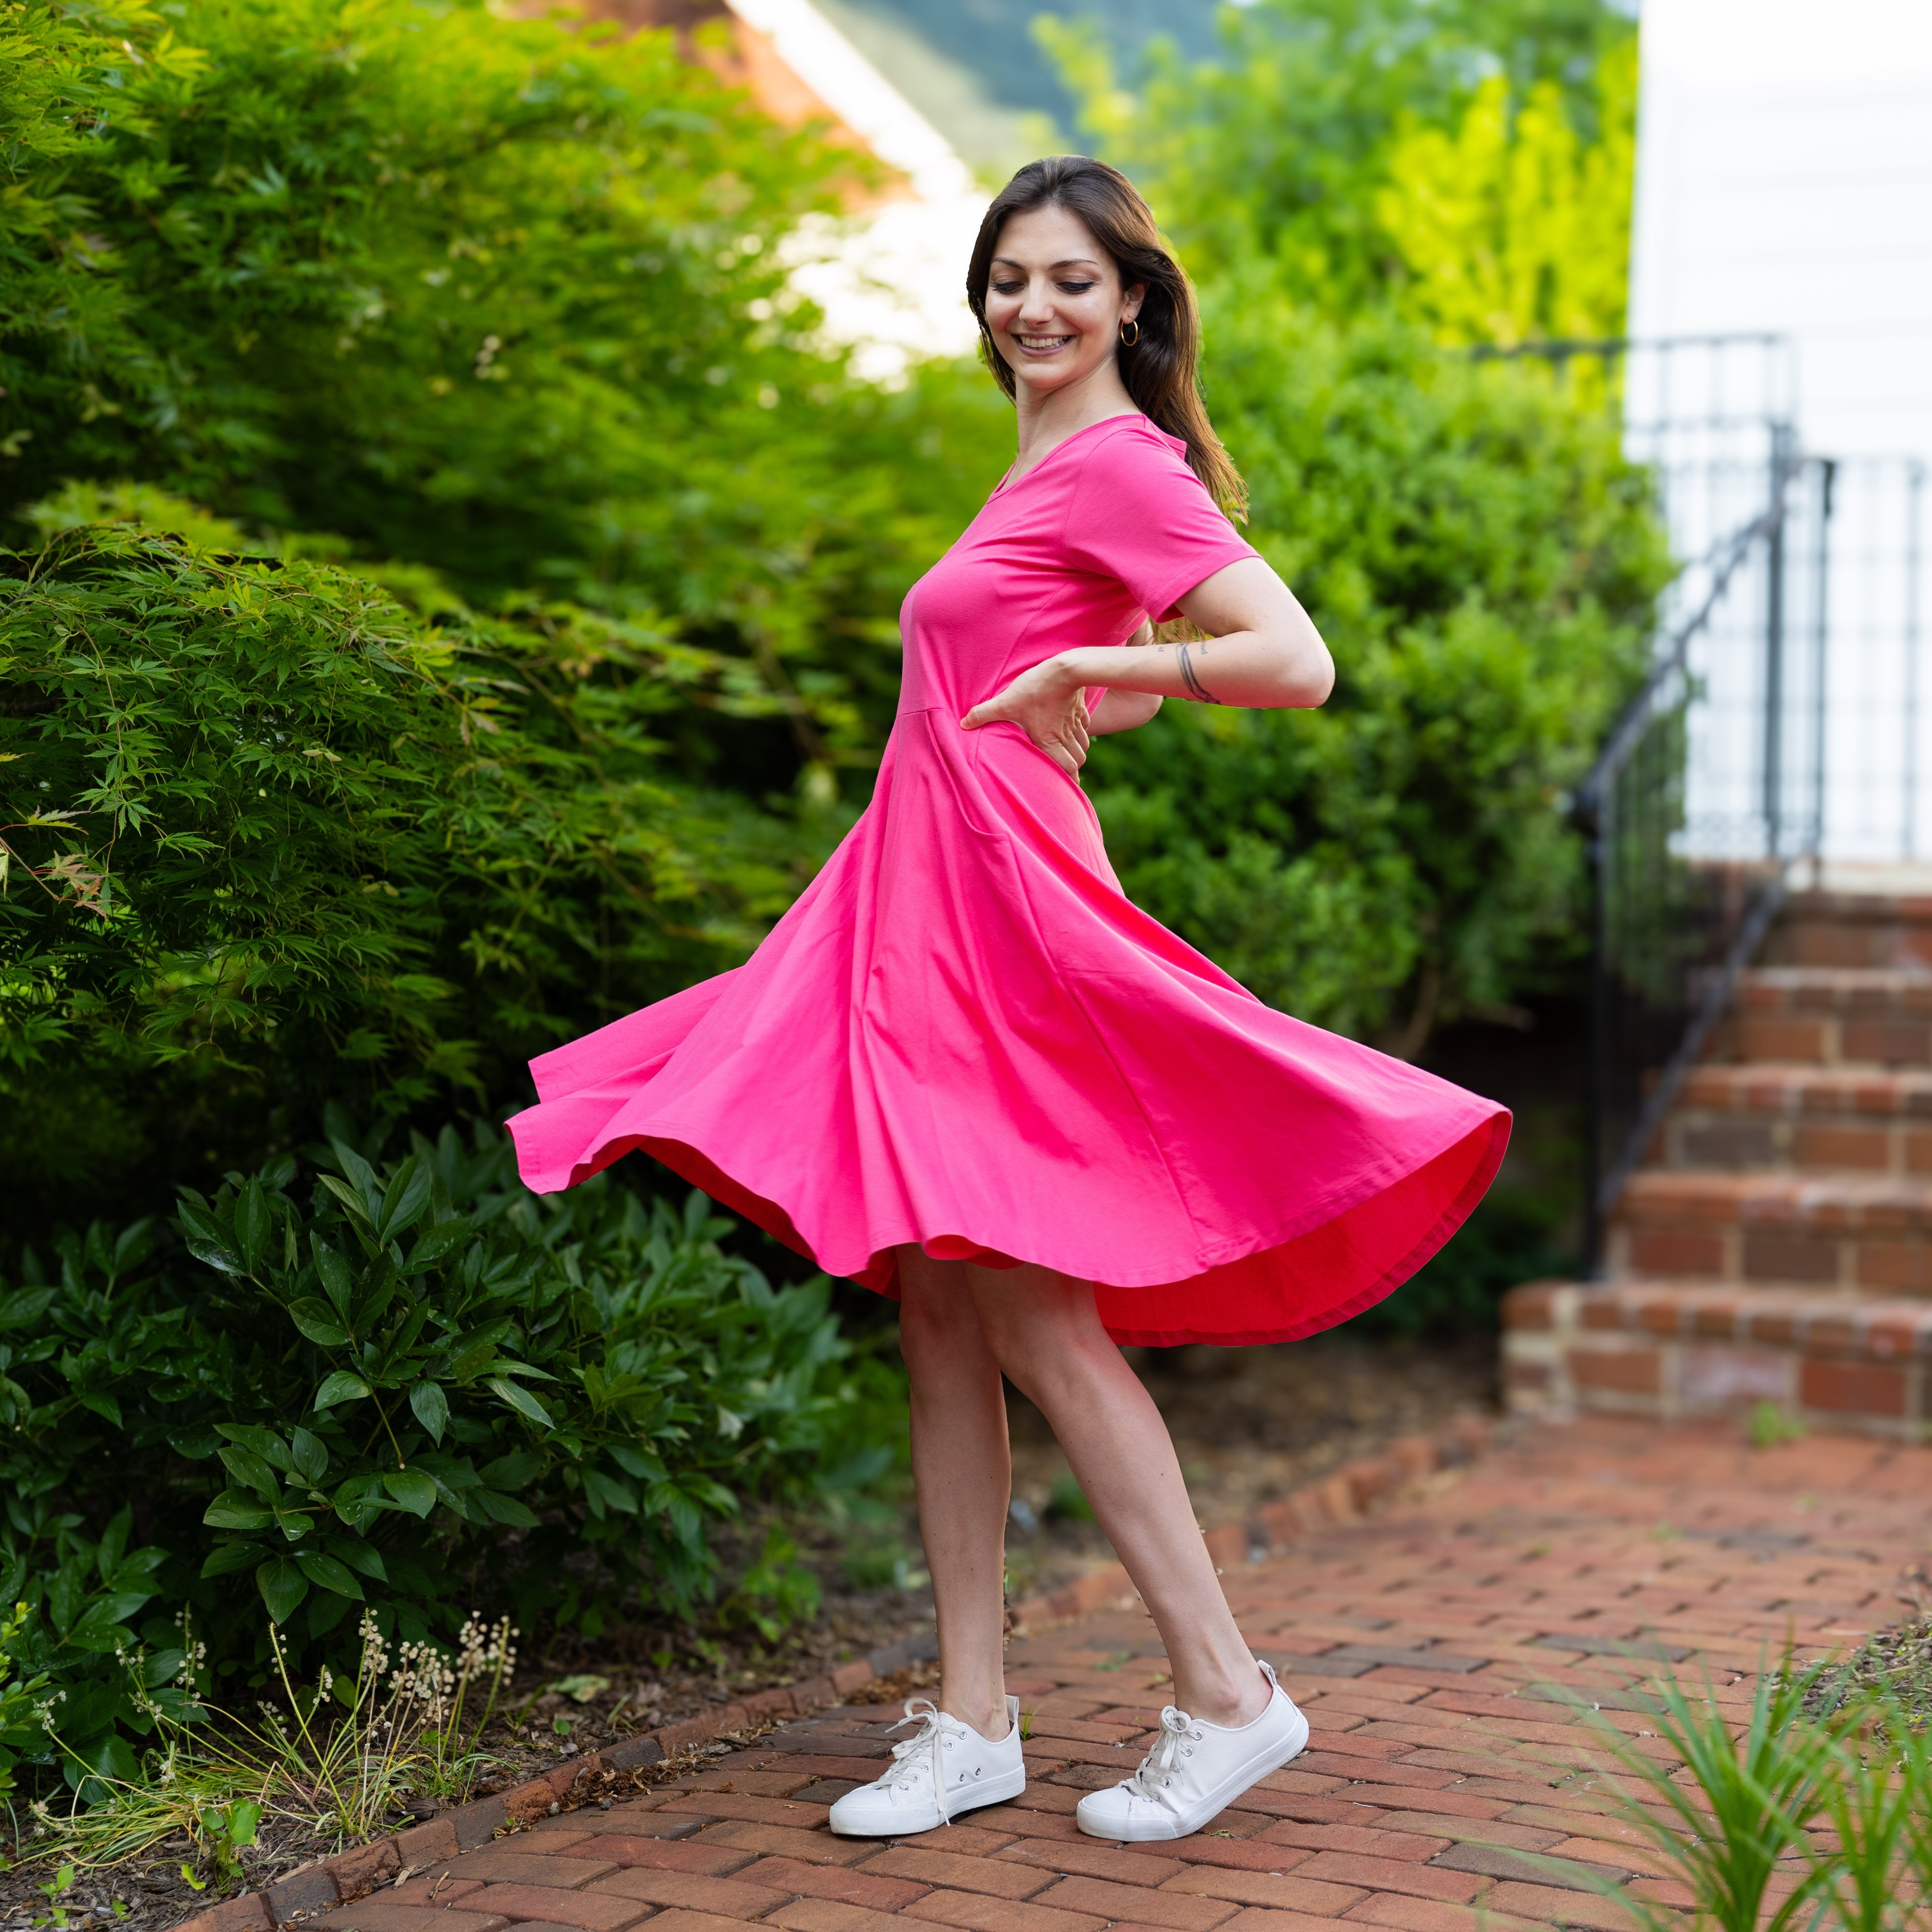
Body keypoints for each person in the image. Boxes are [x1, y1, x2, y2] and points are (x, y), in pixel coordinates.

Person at [508, 156, 1508, 1845]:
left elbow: (1292, 658)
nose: (1030, 309)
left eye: (1066, 280)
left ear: (1133, 298)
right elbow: (1073, 665)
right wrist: (1095, 684)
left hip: (1003, 915)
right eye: (1005, 280)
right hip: (922, 898)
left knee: (1037, 1306)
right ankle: (971, 1718)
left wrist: (1097, 671)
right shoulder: (1043, 461)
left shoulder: (1122, 463)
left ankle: (1228, 1691)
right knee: (937, 1307)